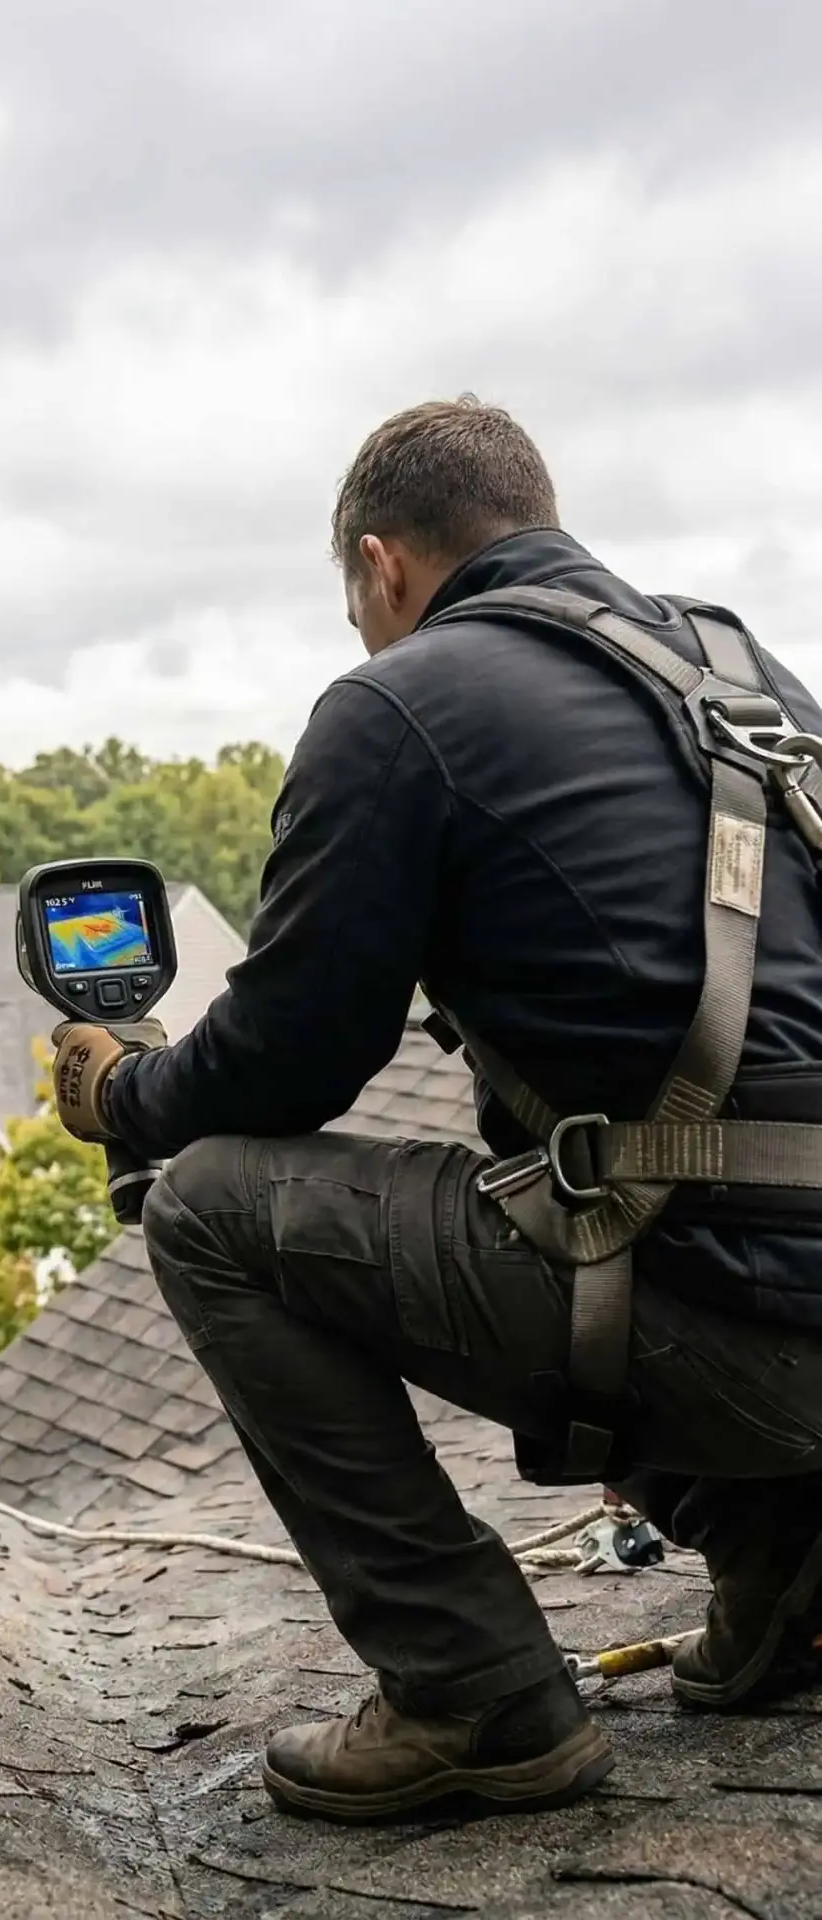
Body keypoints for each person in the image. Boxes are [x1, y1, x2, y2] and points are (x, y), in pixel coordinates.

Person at [50, 397, 822, 1824]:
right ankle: (792, 1580)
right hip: (797, 1322)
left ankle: (473, 1696)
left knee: (212, 1207)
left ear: (379, 566)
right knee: (592, 1180)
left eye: (357, 606)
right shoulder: (733, 666)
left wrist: (128, 1095)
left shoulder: (397, 704)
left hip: (743, 1341)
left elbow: (288, 1062)